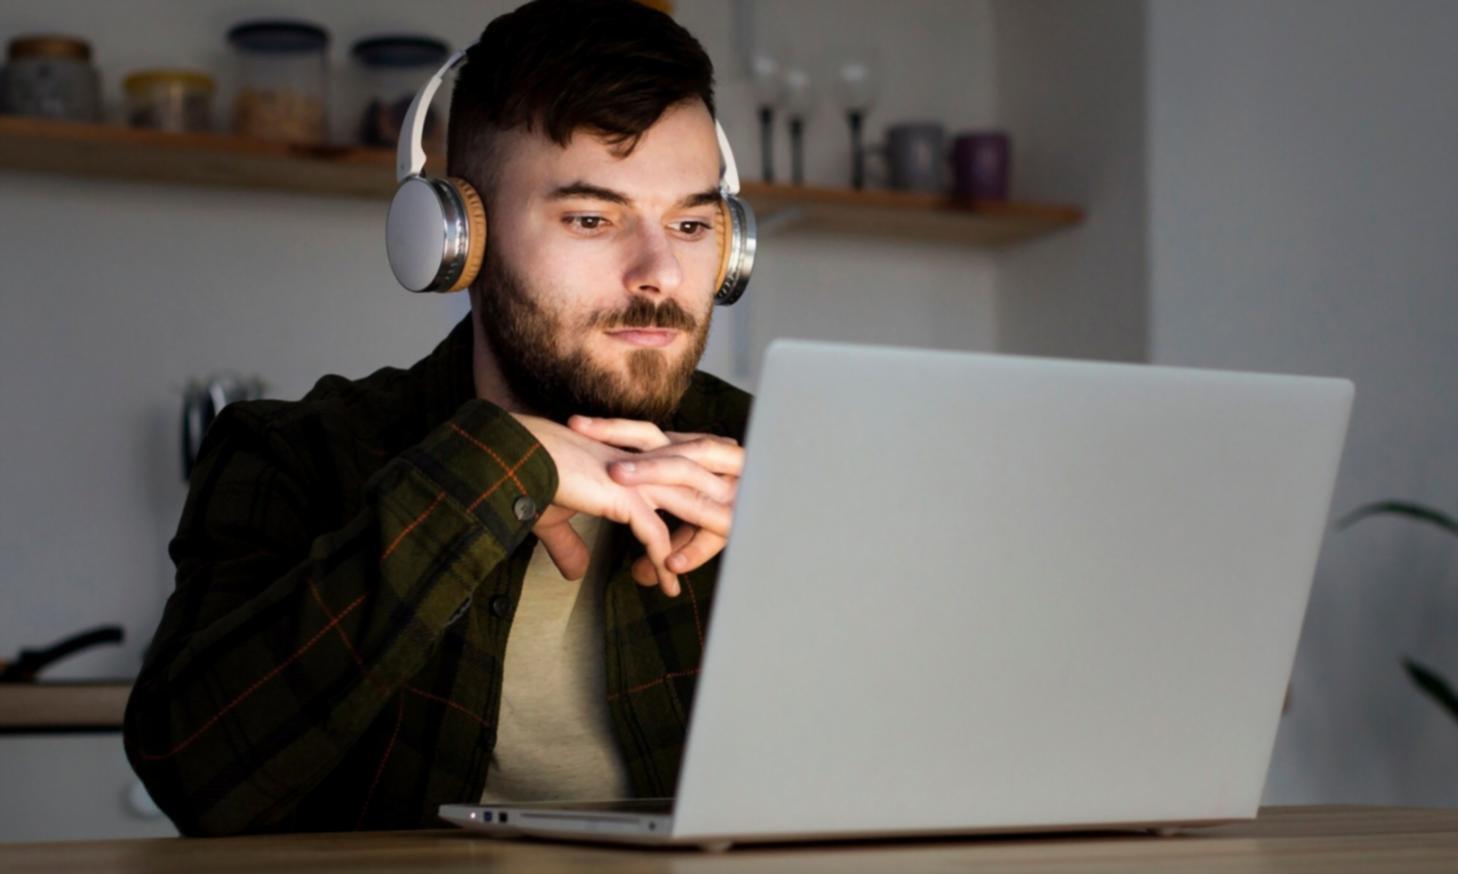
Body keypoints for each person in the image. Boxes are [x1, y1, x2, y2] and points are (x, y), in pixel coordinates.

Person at [123, 0, 751, 835]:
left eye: (693, 223)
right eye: (593, 219)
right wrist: (490, 472)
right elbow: (192, 775)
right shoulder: (291, 453)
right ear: (458, 240)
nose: (661, 273)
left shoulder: (775, 457)